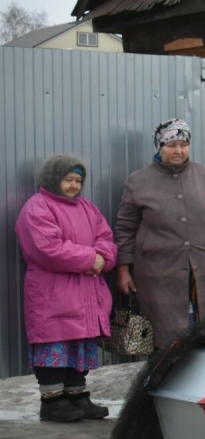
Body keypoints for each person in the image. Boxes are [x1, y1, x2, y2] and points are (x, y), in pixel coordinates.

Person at [115, 119, 205, 347]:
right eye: (171, 145)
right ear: (159, 147)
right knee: (166, 337)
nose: (178, 150)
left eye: (183, 144)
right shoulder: (137, 181)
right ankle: (167, 379)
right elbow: (125, 229)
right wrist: (123, 269)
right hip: (159, 271)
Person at [16, 155, 117, 422]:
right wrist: (89, 259)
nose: (74, 186)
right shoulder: (37, 207)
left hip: (84, 290)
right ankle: (52, 402)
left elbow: (105, 237)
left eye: (78, 181)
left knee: (79, 343)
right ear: (53, 180)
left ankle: (76, 395)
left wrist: (103, 258)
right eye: (68, 180)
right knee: (54, 344)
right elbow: (46, 248)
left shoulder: (88, 208)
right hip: (52, 292)